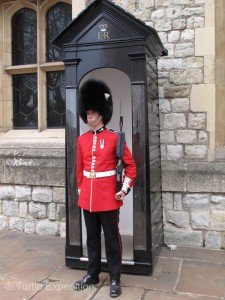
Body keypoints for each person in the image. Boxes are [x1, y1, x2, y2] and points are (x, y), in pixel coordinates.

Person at [74, 79, 136, 298]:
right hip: (88, 197)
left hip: (109, 196)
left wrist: (124, 189)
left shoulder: (114, 138)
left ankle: (115, 278)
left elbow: (131, 167)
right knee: (91, 238)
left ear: (101, 114)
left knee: (111, 239)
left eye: (92, 113)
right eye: (87, 113)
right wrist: (82, 190)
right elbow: (79, 170)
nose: (88, 117)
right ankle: (92, 274)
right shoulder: (81, 140)